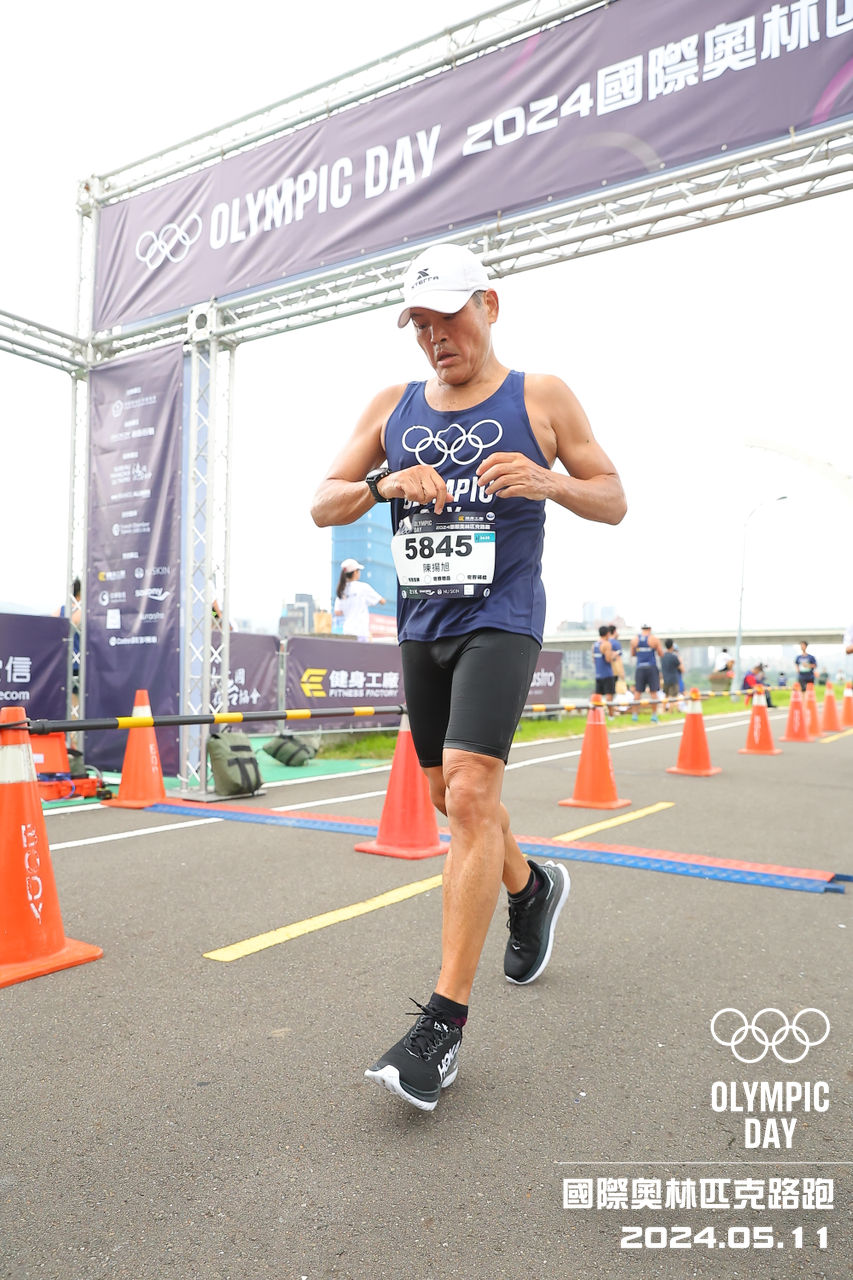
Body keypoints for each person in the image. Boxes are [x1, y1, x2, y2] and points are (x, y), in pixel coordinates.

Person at [311, 240, 626, 1110]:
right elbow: (322, 501)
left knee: (473, 789)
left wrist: (549, 484)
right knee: (450, 800)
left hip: (502, 618)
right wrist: (383, 483)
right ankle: (531, 886)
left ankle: (441, 1028)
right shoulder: (393, 406)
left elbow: (612, 496)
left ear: (488, 305)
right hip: (424, 626)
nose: (433, 336)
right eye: (418, 323)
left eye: (446, 316)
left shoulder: (540, 396)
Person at [333, 558, 386, 642]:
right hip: (361, 632)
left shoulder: (341, 590)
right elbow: (382, 601)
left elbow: (337, 612)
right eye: (358, 571)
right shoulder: (363, 587)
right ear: (355, 572)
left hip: (347, 632)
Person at [630, 624, 663, 722]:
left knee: (637, 692)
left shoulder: (634, 640)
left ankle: (635, 715)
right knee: (653, 692)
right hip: (651, 666)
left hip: (640, 666)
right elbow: (660, 653)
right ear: (650, 629)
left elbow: (633, 654)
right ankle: (654, 715)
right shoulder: (654, 639)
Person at [592, 625, 615, 703]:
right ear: (608, 633)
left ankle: (599, 711)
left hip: (598, 674)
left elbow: (594, 660)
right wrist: (613, 656)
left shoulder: (594, 645)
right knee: (609, 697)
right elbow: (608, 659)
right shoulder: (607, 644)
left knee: (598, 697)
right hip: (607, 674)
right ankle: (610, 711)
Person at [660, 638, 683, 705]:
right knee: (674, 697)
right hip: (673, 679)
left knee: (666, 696)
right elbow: (682, 669)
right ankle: (671, 710)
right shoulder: (674, 657)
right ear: (672, 646)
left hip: (665, 679)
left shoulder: (662, 656)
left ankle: (664, 710)